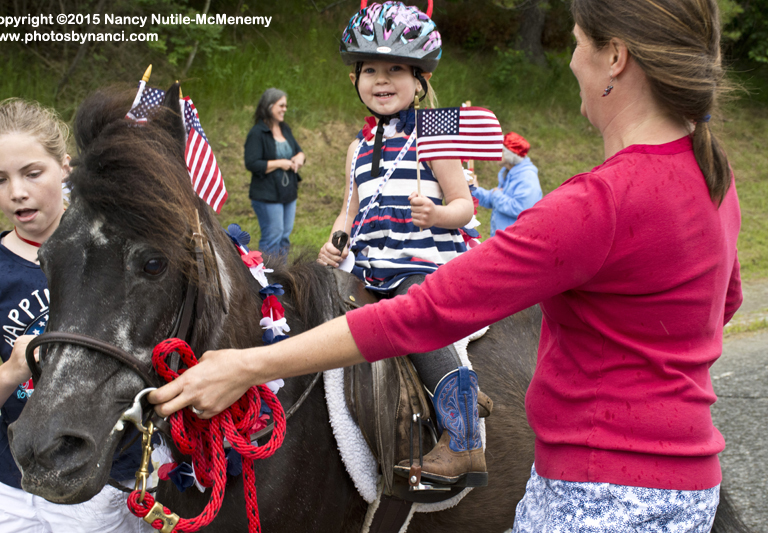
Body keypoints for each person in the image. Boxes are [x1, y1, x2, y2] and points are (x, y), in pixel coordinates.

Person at [150, 0, 740, 530]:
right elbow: (726, 300)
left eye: (578, 44)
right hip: (686, 486)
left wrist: (252, 364)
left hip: (597, 490)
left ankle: (458, 435)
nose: (570, 64)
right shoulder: (713, 179)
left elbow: (428, 313)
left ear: (615, 57)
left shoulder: (600, 202)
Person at [314, 2, 486, 486]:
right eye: (371, 69)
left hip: (421, 262)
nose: (382, 79)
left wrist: (438, 213)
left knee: (416, 314)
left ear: (420, 81)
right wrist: (336, 242)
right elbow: (349, 212)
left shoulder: (435, 136)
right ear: (355, 79)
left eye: (396, 69)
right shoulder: (357, 148)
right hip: (368, 262)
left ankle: (463, 437)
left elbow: (465, 205)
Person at [0, 99, 147, 533]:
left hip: (101, 484)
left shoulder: (116, 250)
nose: (17, 192)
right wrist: (12, 370)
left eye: (32, 173)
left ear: (65, 167)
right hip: (14, 485)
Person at [244, 88, 305, 257]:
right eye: (281, 105)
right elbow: (252, 163)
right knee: (273, 237)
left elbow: (299, 151)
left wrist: (299, 158)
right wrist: (280, 163)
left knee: (284, 237)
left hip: (288, 192)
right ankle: (268, 278)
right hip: (267, 194)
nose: (285, 109)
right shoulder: (257, 133)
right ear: (269, 106)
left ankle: (282, 276)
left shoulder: (285, 129)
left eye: (286, 106)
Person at [472, 131, 542, 234]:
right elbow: (494, 200)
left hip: (516, 243)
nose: (496, 153)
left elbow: (521, 209)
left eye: (500, 150)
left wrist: (496, 195)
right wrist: (475, 190)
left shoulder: (527, 177)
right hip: (504, 240)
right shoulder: (509, 173)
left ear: (509, 155)